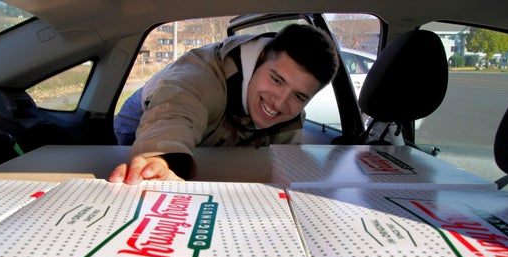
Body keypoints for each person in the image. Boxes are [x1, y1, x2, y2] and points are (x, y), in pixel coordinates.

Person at [109, 23, 339, 184]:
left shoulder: (291, 115)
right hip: (145, 114)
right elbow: (172, 115)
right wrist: (161, 162)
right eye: (276, 80)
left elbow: (286, 166)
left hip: (215, 134)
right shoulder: (201, 75)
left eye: (298, 96)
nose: (279, 102)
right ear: (259, 59)